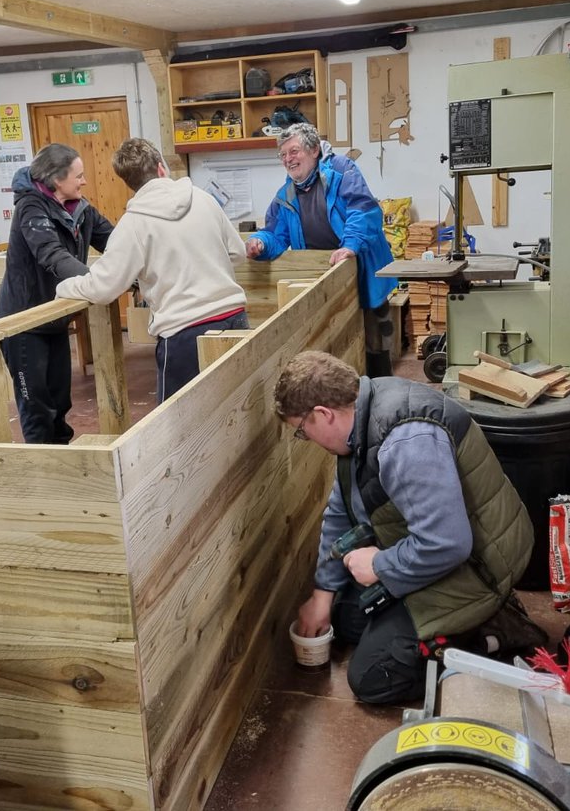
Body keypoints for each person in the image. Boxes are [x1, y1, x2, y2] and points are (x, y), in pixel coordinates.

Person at [274, 351, 539, 704]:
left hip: (481, 566)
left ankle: (490, 633)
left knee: (373, 677)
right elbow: (341, 510)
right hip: (454, 549)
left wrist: (379, 565)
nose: (306, 439)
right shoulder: (362, 413)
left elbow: (447, 543)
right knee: (345, 617)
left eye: (302, 431)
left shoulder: (405, 442)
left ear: (323, 414)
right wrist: (322, 594)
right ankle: (457, 625)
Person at [57, 138, 248, 402]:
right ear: (161, 168)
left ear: (129, 183)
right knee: (240, 409)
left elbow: (102, 288)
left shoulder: (133, 224)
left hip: (185, 333)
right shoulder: (204, 200)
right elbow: (238, 253)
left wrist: (65, 287)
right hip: (234, 318)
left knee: (179, 427)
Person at [246, 124, 396, 377]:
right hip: (326, 274)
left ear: (314, 149)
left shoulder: (342, 171)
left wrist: (350, 246)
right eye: (283, 155)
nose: (288, 160)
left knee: (374, 336)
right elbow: (275, 233)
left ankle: (381, 388)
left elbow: (364, 210)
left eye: (293, 151)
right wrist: (260, 243)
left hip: (362, 265)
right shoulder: (286, 194)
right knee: (337, 338)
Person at [0, 143, 114, 444]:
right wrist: (94, 281)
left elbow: (115, 240)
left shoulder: (80, 210)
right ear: (56, 179)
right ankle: (43, 477)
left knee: (60, 402)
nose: (84, 181)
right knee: (37, 407)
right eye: (79, 176)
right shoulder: (31, 207)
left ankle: (63, 464)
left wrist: (138, 270)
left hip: (55, 319)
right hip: (24, 323)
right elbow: (52, 254)